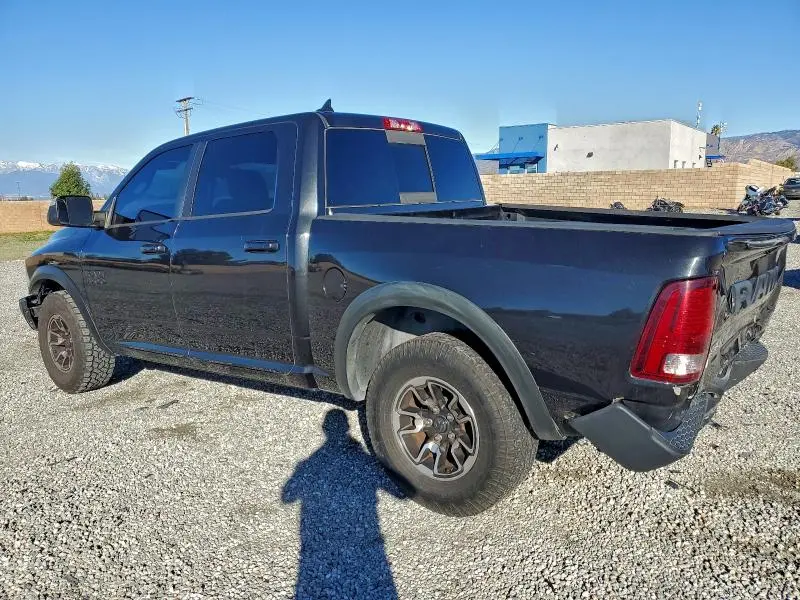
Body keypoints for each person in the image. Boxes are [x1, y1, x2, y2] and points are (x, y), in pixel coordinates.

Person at [282, 409, 405, 600]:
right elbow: (399, 492)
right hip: (366, 541)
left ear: (324, 429)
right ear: (348, 427)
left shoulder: (308, 465)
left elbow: (287, 496)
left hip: (318, 547)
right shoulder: (364, 461)